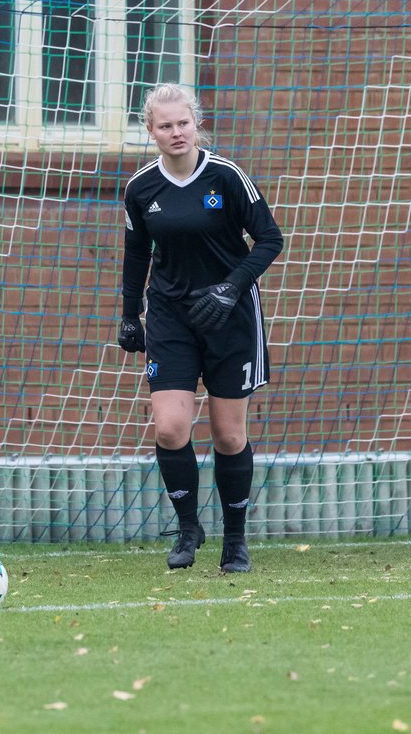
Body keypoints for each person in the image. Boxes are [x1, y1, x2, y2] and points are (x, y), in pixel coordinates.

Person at [118, 83, 283, 573]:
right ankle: (188, 528)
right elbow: (135, 255)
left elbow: (270, 239)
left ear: (196, 123)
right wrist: (130, 313)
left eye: (183, 123)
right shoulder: (141, 188)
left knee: (229, 436)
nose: (176, 133)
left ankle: (236, 541)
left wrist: (231, 287)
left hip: (230, 315)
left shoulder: (227, 177)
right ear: (150, 131)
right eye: (165, 126)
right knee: (169, 428)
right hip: (170, 314)